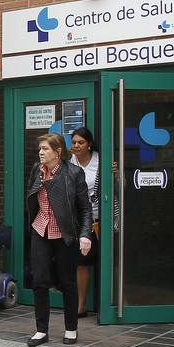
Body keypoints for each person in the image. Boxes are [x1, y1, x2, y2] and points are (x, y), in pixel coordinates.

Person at [25, 132, 93, 347]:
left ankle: (71, 328)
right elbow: (32, 198)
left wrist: (84, 234)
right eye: (40, 149)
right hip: (41, 230)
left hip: (65, 233)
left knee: (67, 282)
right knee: (39, 281)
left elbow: (85, 208)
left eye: (45, 149)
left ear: (58, 152)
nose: (40, 152)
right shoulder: (37, 169)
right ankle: (41, 330)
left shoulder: (74, 173)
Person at [69, 127, 99, 318]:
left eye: (81, 142)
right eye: (74, 142)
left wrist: (117, 175)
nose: (77, 146)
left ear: (89, 144)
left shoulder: (101, 161)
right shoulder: (68, 164)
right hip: (79, 221)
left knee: (108, 261)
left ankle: (117, 301)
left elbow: (119, 188)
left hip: (100, 219)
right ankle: (81, 305)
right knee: (81, 263)